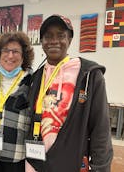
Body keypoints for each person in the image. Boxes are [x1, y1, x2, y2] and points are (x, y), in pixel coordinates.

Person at [25, 14, 113, 172]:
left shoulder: (89, 75)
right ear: (42, 41)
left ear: (70, 39)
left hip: (69, 162)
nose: (53, 41)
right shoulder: (36, 77)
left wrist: (101, 168)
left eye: (60, 35)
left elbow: (101, 128)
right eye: (48, 36)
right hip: (35, 162)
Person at [0, 31, 34, 172]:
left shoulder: (32, 82)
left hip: (16, 158)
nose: (10, 55)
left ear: (24, 56)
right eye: (5, 50)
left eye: (16, 51)